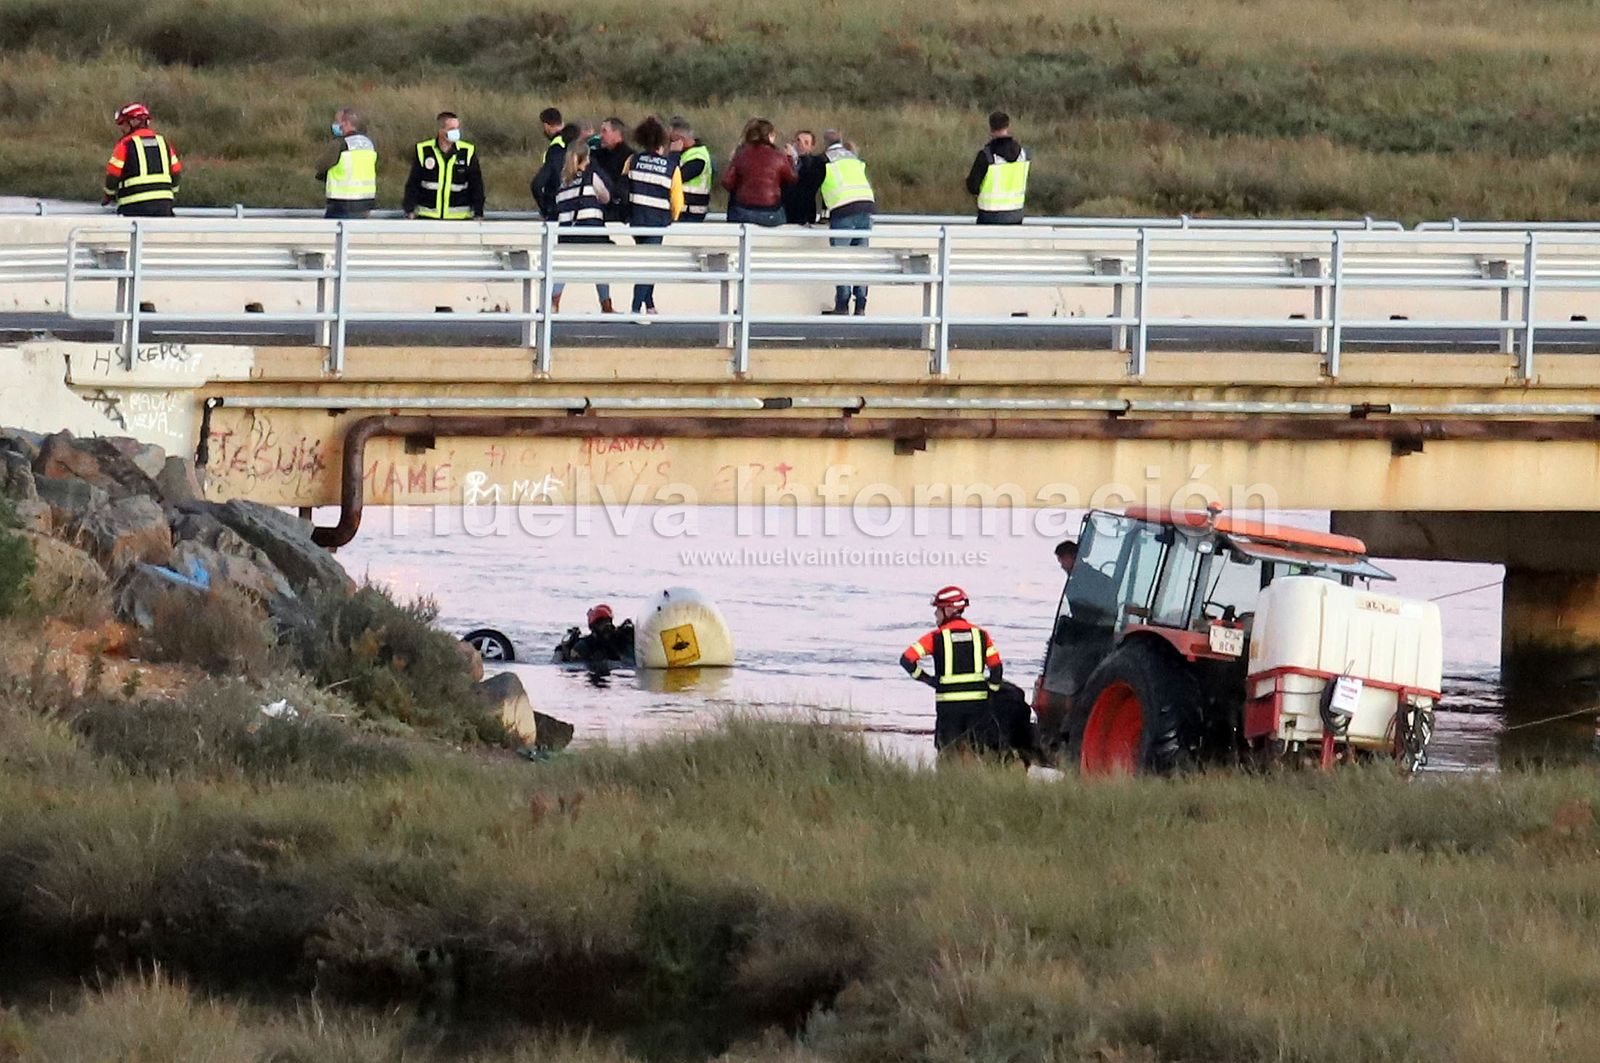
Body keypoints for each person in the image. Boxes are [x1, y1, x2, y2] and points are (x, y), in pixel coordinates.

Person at [900, 585, 1005, 756]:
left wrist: (929, 680)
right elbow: (997, 670)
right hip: (977, 706)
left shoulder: (935, 637)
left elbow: (906, 660)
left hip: (948, 707)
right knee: (976, 754)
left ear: (948, 610)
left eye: (938, 610)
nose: (935, 615)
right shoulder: (981, 635)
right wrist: (990, 693)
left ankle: (947, 782)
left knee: (947, 754)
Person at [622, 115, 684, 317]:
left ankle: (649, 305)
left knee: (645, 262)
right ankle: (634, 307)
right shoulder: (670, 167)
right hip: (657, 222)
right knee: (649, 265)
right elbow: (677, 202)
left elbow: (623, 187)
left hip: (636, 219)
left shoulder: (633, 160)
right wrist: (671, 218)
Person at [549, 139, 615, 314]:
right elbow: (606, 197)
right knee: (601, 267)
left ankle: (553, 304)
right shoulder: (590, 177)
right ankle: (606, 305)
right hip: (591, 231)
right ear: (586, 158)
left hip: (568, 235)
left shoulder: (563, 183)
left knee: (562, 270)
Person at [818, 130, 875, 316]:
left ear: (824, 143)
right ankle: (861, 305)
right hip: (866, 207)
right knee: (861, 259)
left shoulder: (826, 159)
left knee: (842, 259)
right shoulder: (852, 157)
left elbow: (819, 186)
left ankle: (842, 305)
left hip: (843, 209)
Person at [103, 103, 183, 217]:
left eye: (122, 123)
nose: (121, 128)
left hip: (133, 206)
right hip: (164, 206)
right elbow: (176, 172)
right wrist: (172, 194)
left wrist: (108, 196)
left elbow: (112, 176)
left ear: (133, 122)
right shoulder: (163, 142)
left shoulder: (125, 144)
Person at [403, 112, 485, 221]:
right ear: (441, 130)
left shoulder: (467, 152)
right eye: (451, 129)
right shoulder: (424, 150)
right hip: (427, 216)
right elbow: (413, 183)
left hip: (459, 218)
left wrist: (478, 212)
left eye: (457, 128)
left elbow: (476, 185)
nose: (456, 132)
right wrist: (409, 209)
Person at [720, 118, 794, 227]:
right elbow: (792, 178)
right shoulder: (779, 156)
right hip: (771, 212)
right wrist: (790, 159)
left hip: (742, 211)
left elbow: (727, 182)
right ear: (769, 135)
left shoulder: (741, 154)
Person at [965, 110, 1029, 225]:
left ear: (990, 128)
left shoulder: (986, 155)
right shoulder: (1023, 154)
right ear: (1007, 126)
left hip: (990, 215)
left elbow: (973, 186)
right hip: (1016, 214)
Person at [315, 107, 377, 219]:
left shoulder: (341, 144)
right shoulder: (368, 144)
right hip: (365, 203)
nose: (335, 125)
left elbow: (321, 165)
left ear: (346, 123)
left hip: (342, 203)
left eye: (338, 122)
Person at [1057, 539, 1119, 624]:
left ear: (1071, 557)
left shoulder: (1075, 585)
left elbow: (1083, 617)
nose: (1062, 566)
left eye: (1062, 561)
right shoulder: (1102, 578)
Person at [555, 603, 636, 664]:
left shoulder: (618, 640)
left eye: (607, 622)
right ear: (593, 627)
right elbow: (574, 665)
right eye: (601, 623)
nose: (606, 626)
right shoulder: (584, 646)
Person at [669, 117, 712, 222]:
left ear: (680, 140)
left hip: (690, 211)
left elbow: (674, 177)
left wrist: (673, 154)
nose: (670, 144)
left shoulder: (698, 157)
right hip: (683, 209)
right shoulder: (687, 153)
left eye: (672, 140)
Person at [591, 117, 633, 222]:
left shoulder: (630, 157)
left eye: (604, 131)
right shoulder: (596, 156)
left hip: (621, 216)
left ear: (617, 133)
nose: (600, 136)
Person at [530, 108, 568, 218]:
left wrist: (545, 208)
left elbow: (537, 185)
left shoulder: (556, 147)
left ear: (546, 126)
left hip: (556, 205)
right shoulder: (573, 142)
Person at [781, 130, 825, 226]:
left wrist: (796, 159)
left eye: (806, 142)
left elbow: (810, 182)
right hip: (785, 214)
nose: (800, 144)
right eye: (798, 140)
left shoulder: (816, 163)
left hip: (805, 215)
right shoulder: (783, 161)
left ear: (812, 147)